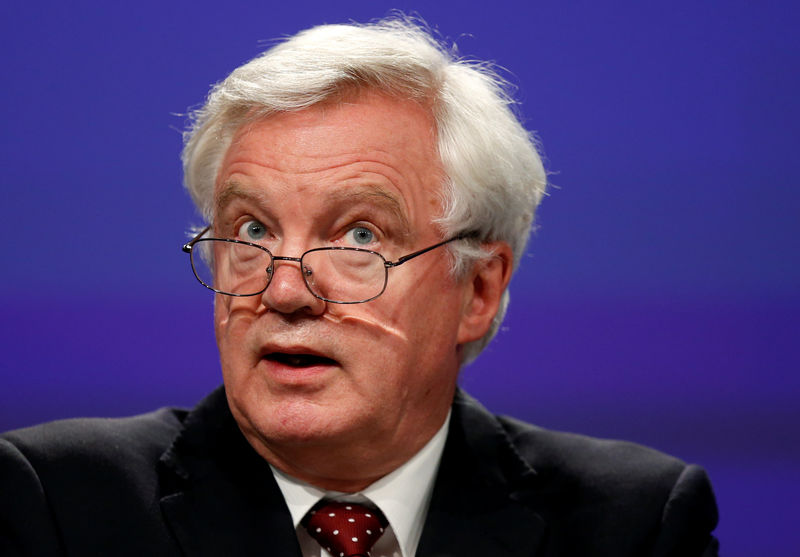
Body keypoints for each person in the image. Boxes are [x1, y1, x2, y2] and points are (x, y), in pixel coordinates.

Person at [0, 16, 718, 557]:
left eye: (359, 237)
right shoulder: (58, 504)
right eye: (250, 231)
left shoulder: (631, 523)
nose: (284, 292)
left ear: (479, 290)